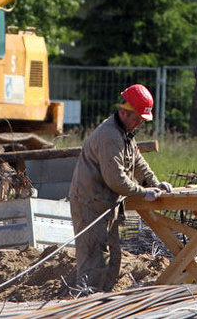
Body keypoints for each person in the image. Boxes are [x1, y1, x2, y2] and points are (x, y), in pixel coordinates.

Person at [68, 84, 173, 291]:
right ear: (124, 112)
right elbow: (116, 180)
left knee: (113, 258)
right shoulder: (110, 136)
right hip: (90, 206)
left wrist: (154, 183)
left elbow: (138, 162)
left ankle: (104, 304)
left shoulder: (125, 133)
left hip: (106, 205)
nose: (140, 123)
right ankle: (86, 303)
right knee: (94, 261)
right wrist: (144, 193)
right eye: (138, 118)